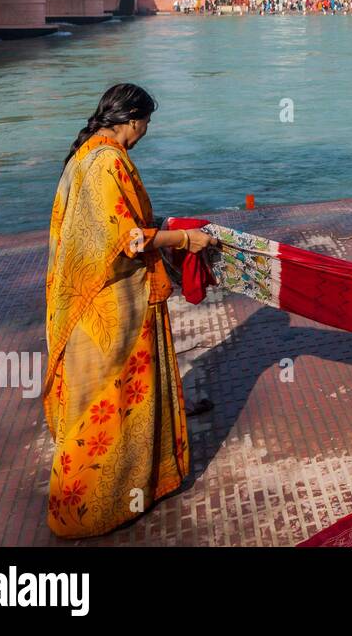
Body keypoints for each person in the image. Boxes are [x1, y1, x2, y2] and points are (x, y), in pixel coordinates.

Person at [44, 84, 218, 538]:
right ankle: (98, 506)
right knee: (114, 401)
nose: (145, 133)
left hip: (89, 301)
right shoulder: (108, 163)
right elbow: (130, 239)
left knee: (100, 402)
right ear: (133, 119)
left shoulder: (85, 155)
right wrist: (184, 240)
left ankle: (124, 491)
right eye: (146, 124)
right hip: (114, 307)